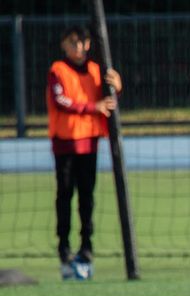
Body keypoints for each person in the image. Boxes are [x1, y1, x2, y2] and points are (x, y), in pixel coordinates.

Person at [46, 25, 122, 281]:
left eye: (81, 42)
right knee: (65, 194)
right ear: (64, 45)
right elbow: (61, 100)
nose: (78, 47)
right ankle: (64, 246)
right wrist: (92, 107)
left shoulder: (96, 70)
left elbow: (108, 99)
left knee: (87, 197)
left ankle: (86, 245)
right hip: (65, 142)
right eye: (72, 42)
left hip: (89, 142)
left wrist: (117, 87)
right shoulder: (58, 70)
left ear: (88, 44)